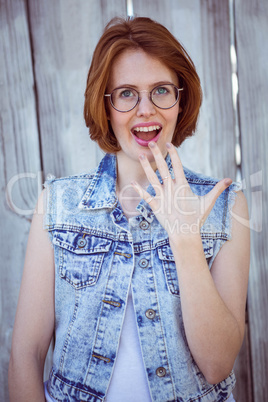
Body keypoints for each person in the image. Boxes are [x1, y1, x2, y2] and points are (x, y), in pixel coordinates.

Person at [8, 17, 250, 402]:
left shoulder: (224, 205)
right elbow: (26, 354)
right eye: (126, 94)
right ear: (104, 106)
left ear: (181, 98)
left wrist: (185, 241)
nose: (146, 110)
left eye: (161, 90)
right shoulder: (57, 204)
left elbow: (218, 364)